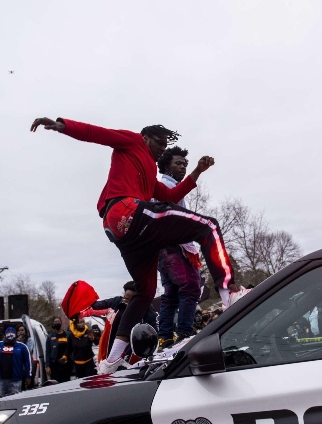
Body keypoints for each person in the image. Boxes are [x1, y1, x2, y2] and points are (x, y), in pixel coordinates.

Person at [31, 117, 239, 374]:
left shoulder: (149, 174)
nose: (162, 149)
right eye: (159, 143)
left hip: (122, 233)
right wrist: (63, 126)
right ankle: (230, 295)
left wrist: (196, 172)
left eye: (165, 146)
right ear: (146, 138)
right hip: (124, 211)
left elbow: (171, 196)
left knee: (145, 291)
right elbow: (98, 133)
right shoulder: (131, 141)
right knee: (207, 227)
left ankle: (111, 361)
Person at [155, 146, 202, 351]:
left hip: (164, 248)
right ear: (166, 165)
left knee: (171, 293)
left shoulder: (168, 186)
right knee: (191, 286)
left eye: (185, 164)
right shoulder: (166, 186)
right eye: (178, 163)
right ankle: (184, 334)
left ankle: (165, 337)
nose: (183, 167)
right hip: (173, 247)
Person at [0, 326, 31, 397]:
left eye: (12, 332)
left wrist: (28, 376)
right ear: (5, 334)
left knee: (14, 402)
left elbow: (27, 361)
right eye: (8, 332)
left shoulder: (22, 347)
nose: (10, 334)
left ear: (15, 334)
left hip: (15, 380)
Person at [45, 317, 71, 383]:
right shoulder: (50, 337)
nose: (57, 323)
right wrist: (47, 366)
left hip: (66, 364)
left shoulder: (68, 334)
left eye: (58, 321)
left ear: (61, 323)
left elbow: (71, 347)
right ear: (53, 324)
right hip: (55, 364)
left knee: (66, 382)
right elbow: (47, 352)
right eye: (55, 322)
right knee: (56, 383)